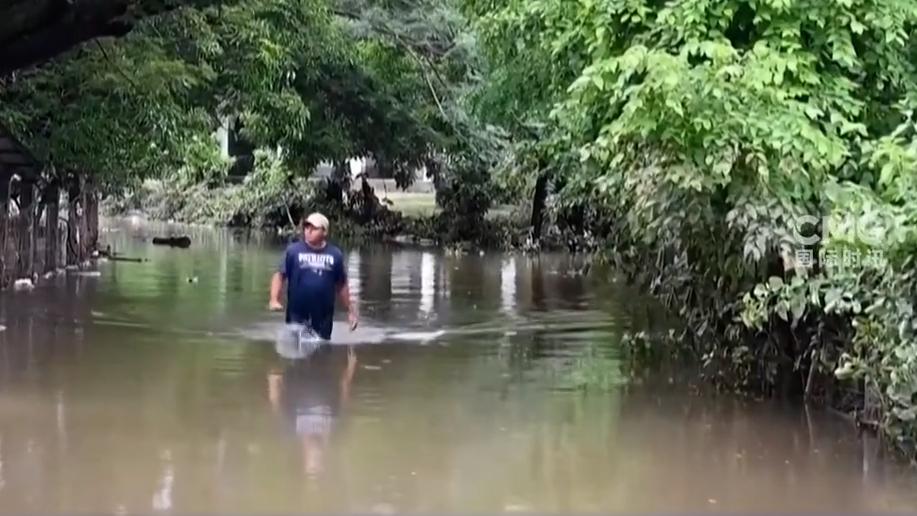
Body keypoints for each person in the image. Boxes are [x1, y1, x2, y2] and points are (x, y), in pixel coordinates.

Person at [269, 212, 358, 340]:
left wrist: (351, 311)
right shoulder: (293, 251)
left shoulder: (335, 254)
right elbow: (279, 276)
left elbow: (342, 285)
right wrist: (274, 299)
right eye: (306, 227)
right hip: (297, 312)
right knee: (295, 349)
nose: (308, 231)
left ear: (325, 232)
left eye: (314, 228)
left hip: (323, 314)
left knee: (322, 349)